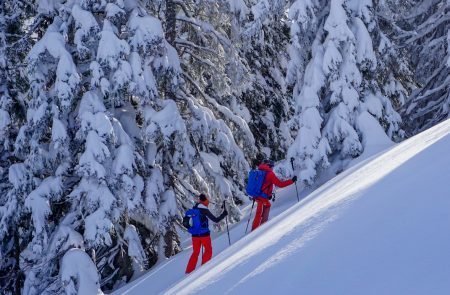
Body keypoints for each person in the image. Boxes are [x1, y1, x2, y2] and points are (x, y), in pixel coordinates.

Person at [184, 194, 228, 274]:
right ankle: (203, 270)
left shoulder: (194, 208)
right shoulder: (204, 210)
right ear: (205, 201)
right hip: (204, 235)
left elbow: (186, 221)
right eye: (207, 200)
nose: (208, 202)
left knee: (195, 253)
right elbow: (216, 220)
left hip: (195, 236)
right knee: (208, 250)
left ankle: (188, 272)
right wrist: (224, 214)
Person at [251, 159, 297, 231]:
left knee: (265, 206)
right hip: (261, 196)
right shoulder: (270, 174)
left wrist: (268, 195)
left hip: (256, 194)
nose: (272, 168)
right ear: (269, 166)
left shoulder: (259, 171)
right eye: (272, 166)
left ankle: (260, 225)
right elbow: (280, 184)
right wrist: (292, 181)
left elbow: (261, 184)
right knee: (260, 211)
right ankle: (256, 230)